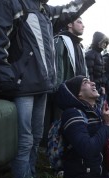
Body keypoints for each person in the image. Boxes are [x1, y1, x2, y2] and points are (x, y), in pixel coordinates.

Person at [0, 0, 96, 178]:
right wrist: (7, 80)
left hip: (42, 86)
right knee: (24, 140)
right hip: (21, 88)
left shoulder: (44, 10)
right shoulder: (12, 3)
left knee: (36, 137)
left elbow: (69, 10)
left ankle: (30, 176)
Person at [43, 16, 89, 147]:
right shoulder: (60, 40)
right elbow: (57, 67)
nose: (83, 25)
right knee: (60, 123)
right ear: (69, 24)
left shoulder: (79, 44)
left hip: (77, 93)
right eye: (79, 22)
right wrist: (59, 92)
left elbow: (83, 69)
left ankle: (70, 150)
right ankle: (55, 151)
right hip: (65, 93)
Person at [85, 31, 109, 108]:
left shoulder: (100, 55)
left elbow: (102, 73)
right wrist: (92, 88)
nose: (105, 45)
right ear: (98, 41)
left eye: (106, 43)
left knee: (100, 108)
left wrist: (103, 86)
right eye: (104, 42)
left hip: (99, 87)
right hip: (93, 87)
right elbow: (90, 73)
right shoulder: (90, 54)